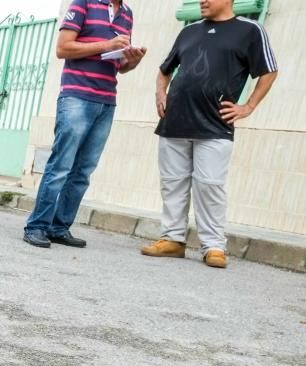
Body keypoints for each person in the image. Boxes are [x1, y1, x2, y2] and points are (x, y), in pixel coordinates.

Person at [142, 0, 278, 269]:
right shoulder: (188, 32)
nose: (202, 1)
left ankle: (214, 246)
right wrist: (160, 93)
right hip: (175, 121)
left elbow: (269, 71)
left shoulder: (250, 30)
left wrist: (248, 106)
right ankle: (172, 239)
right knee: (173, 182)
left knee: (210, 185)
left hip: (215, 124)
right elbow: (164, 70)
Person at [23, 0, 147, 249]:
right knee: (61, 166)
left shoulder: (127, 14)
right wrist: (107, 44)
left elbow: (120, 67)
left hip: (106, 101)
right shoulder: (84, 3)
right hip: (76, 97)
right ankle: (36, 226)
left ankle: (59, 227)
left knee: (83, 172)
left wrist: (133, 60)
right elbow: (63, 48)